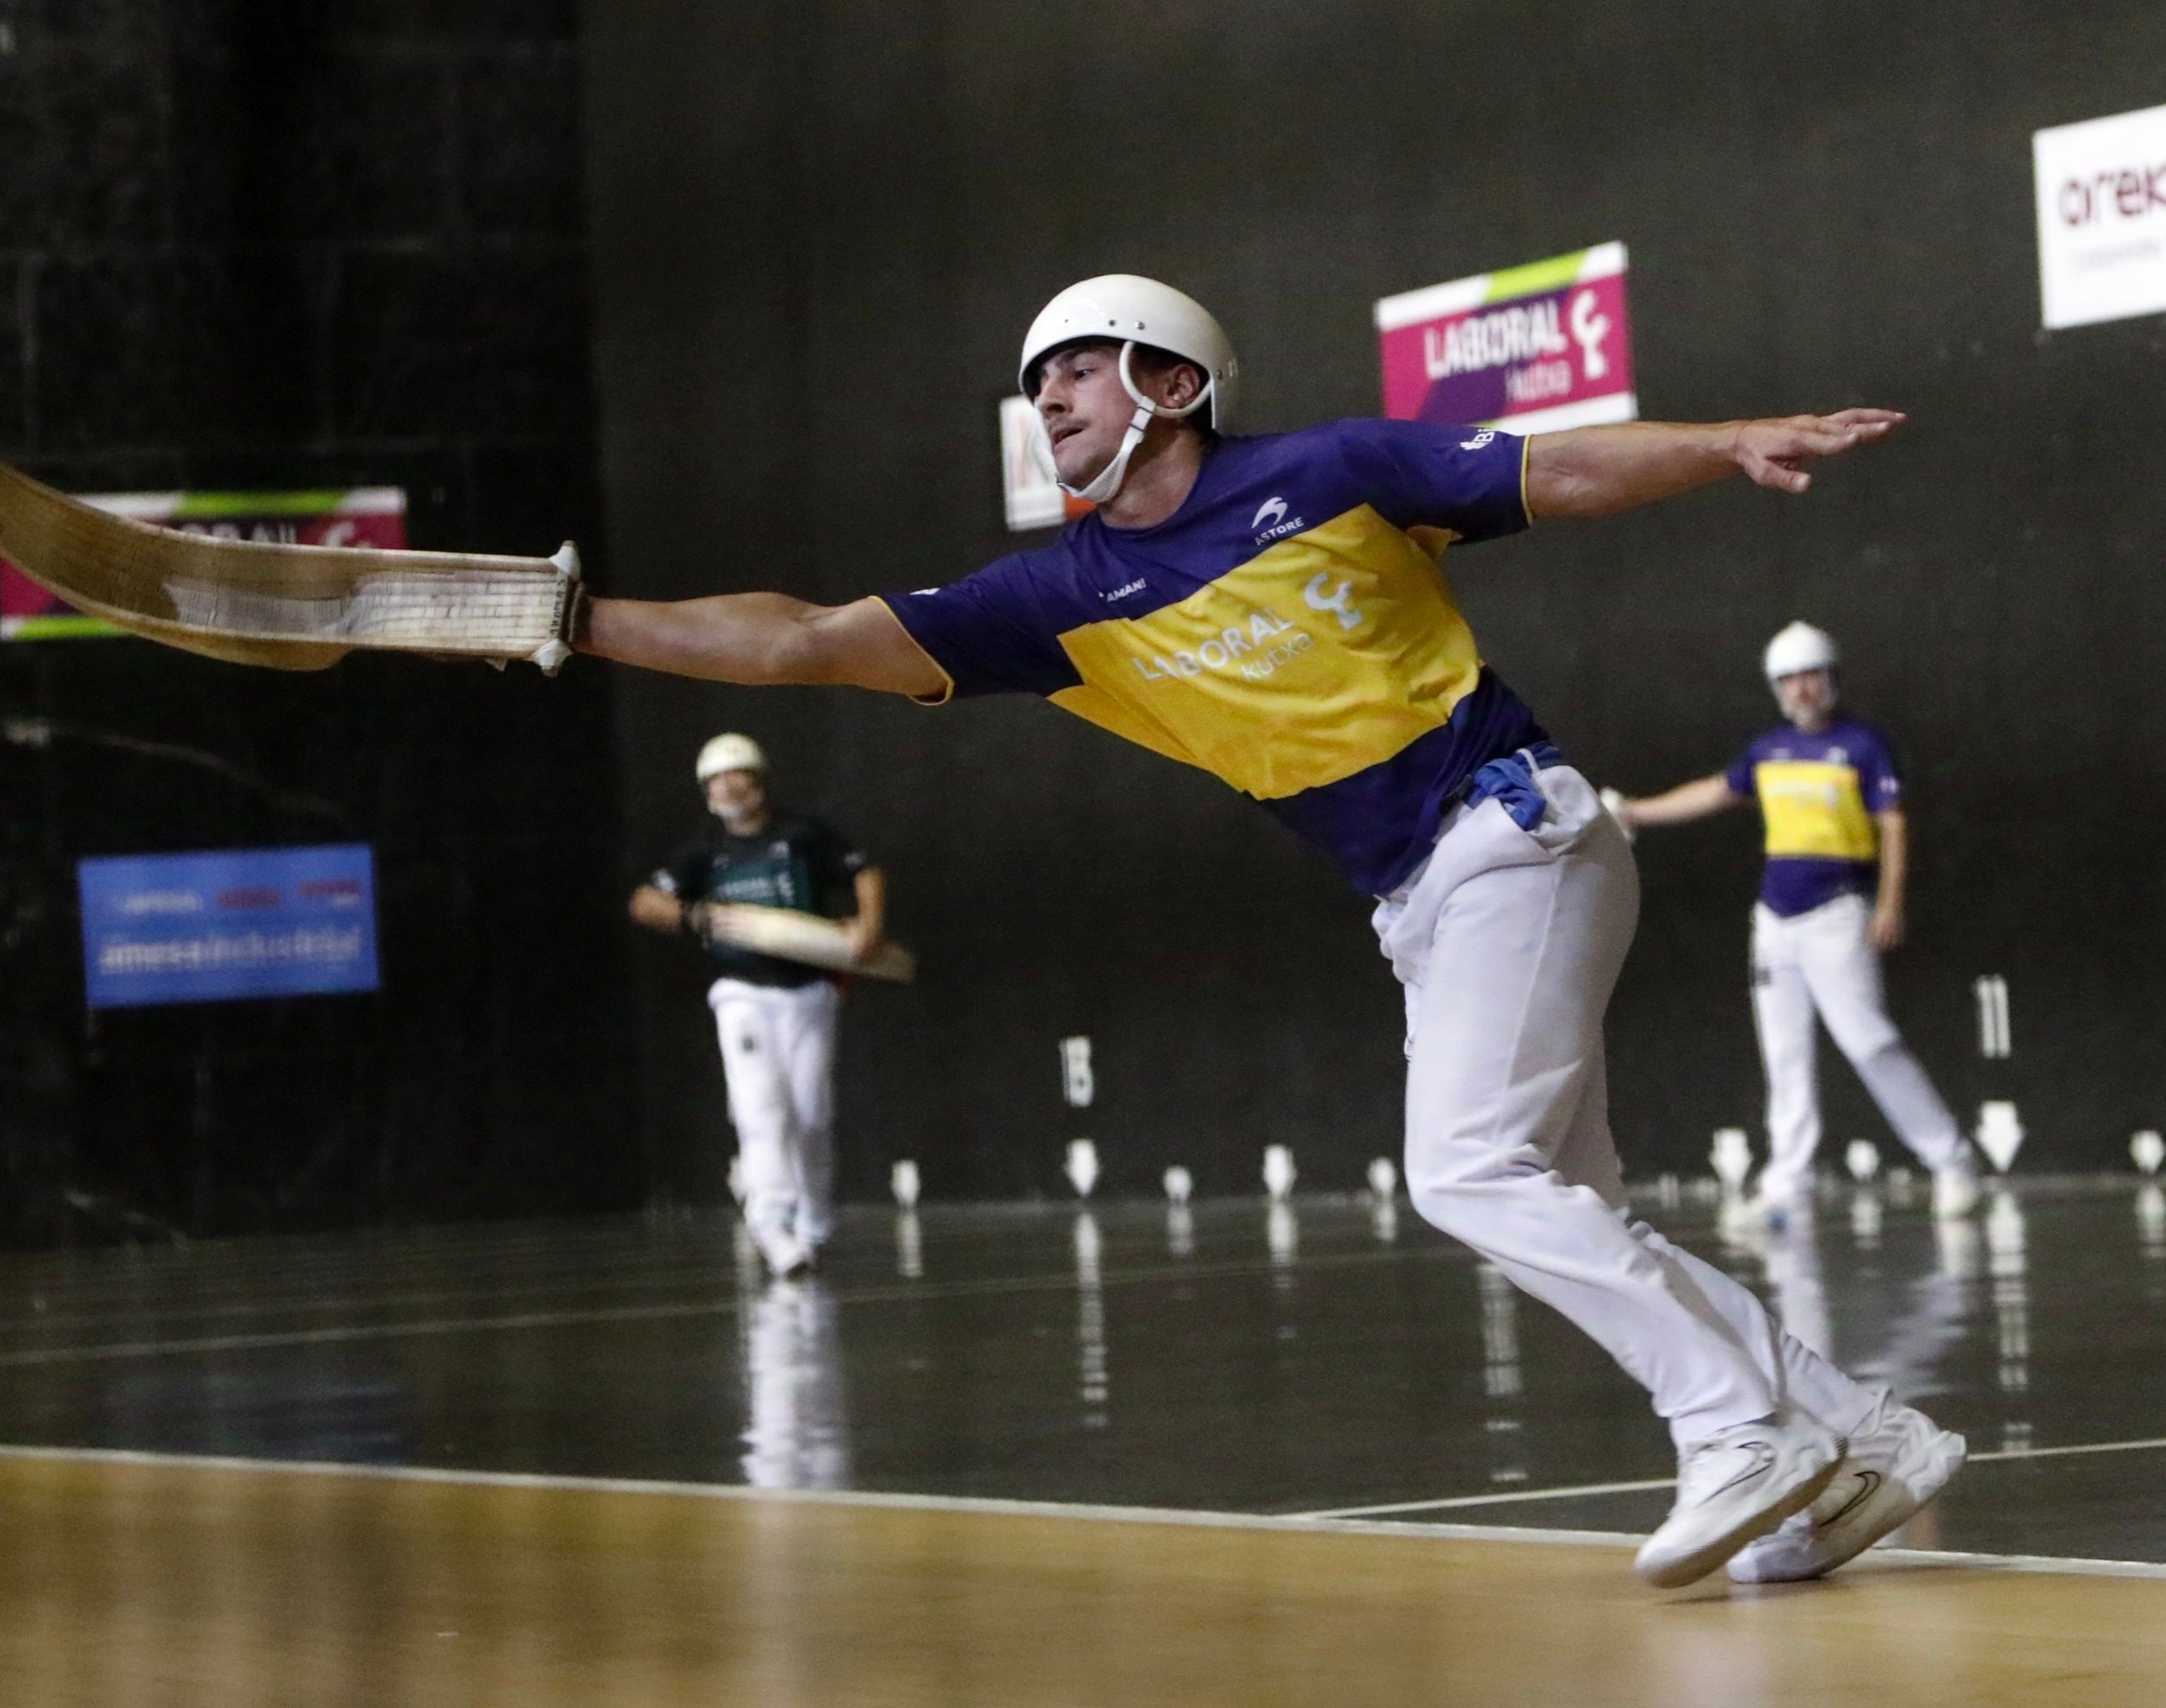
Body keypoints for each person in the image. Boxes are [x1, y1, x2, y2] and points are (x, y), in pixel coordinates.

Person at [576, 275, 1962, 1588]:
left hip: (1512, 833)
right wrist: (576, 623)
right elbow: (798, 638)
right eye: (1033, 382)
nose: (1047, 399)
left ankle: (1738, 1430)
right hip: (1425, 903)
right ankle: (1868, 1438)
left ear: (1168, 380)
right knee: (1566, 1206)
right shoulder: (1054, 601)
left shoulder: (1330, 471)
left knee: (1465, 1170)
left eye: (1075, 367)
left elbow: (1557, 468)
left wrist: (1724, 442)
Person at [1609, 624, 1980, 1225]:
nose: (1801, 689)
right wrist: (1634, 812)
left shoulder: (1862, 745)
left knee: (1868, 1041)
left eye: (1810, 675)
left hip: (1838, 914)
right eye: (1788, 679)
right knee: (1783, 1055)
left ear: (1830, 677)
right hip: (1773, 921)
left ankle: (1952, 1160)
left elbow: (1893, 825)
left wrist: (1888, 903)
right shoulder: (1768, 749)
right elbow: (1714, 791)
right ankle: (1786, 1186)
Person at [630, 733, 887, 1279]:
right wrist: (696, 917)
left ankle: (814, 1219)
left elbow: (865, 872)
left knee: (811, 1115)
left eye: (735, 774)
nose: (726, 786)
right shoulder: (703, 853)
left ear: (759, 779)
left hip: (810, 993)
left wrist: (869, 926)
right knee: (760, 1111)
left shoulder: (804, 834)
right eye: (714, 780)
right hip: (740, 995)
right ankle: (770, 1224)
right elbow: (645, 901)